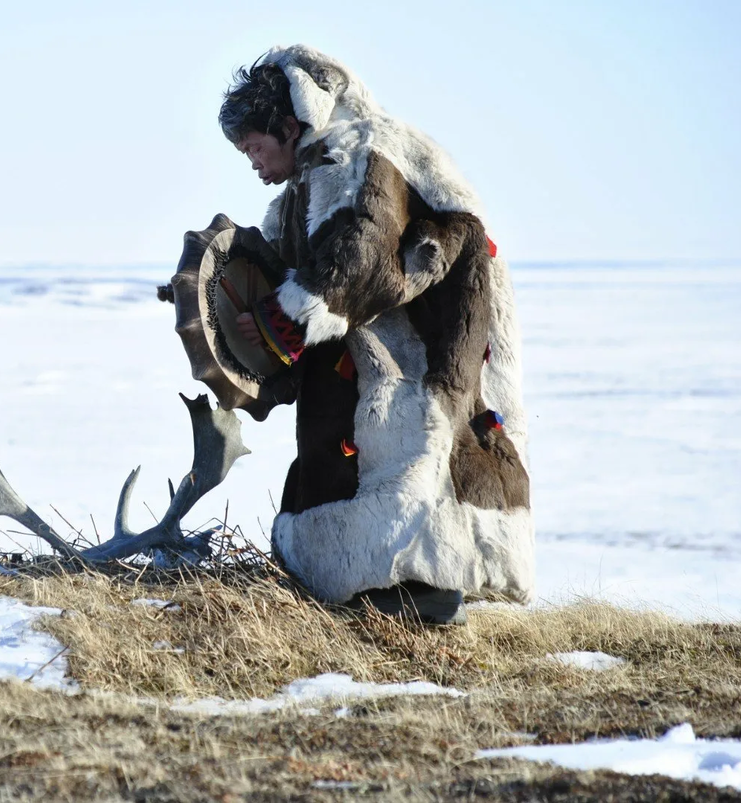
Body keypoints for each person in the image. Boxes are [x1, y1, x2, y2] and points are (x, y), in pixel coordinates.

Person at [218, 45, 534, 624]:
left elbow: (361, 255)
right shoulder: (307, 180)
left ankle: (423, 595)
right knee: (357, 453)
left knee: (415, 450)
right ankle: (376, 591)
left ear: (290, 126)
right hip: (372, 351)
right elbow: (279, 264)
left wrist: (279, 318)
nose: (254, 164)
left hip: (424, 345)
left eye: (255, 148)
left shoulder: (361, 152)